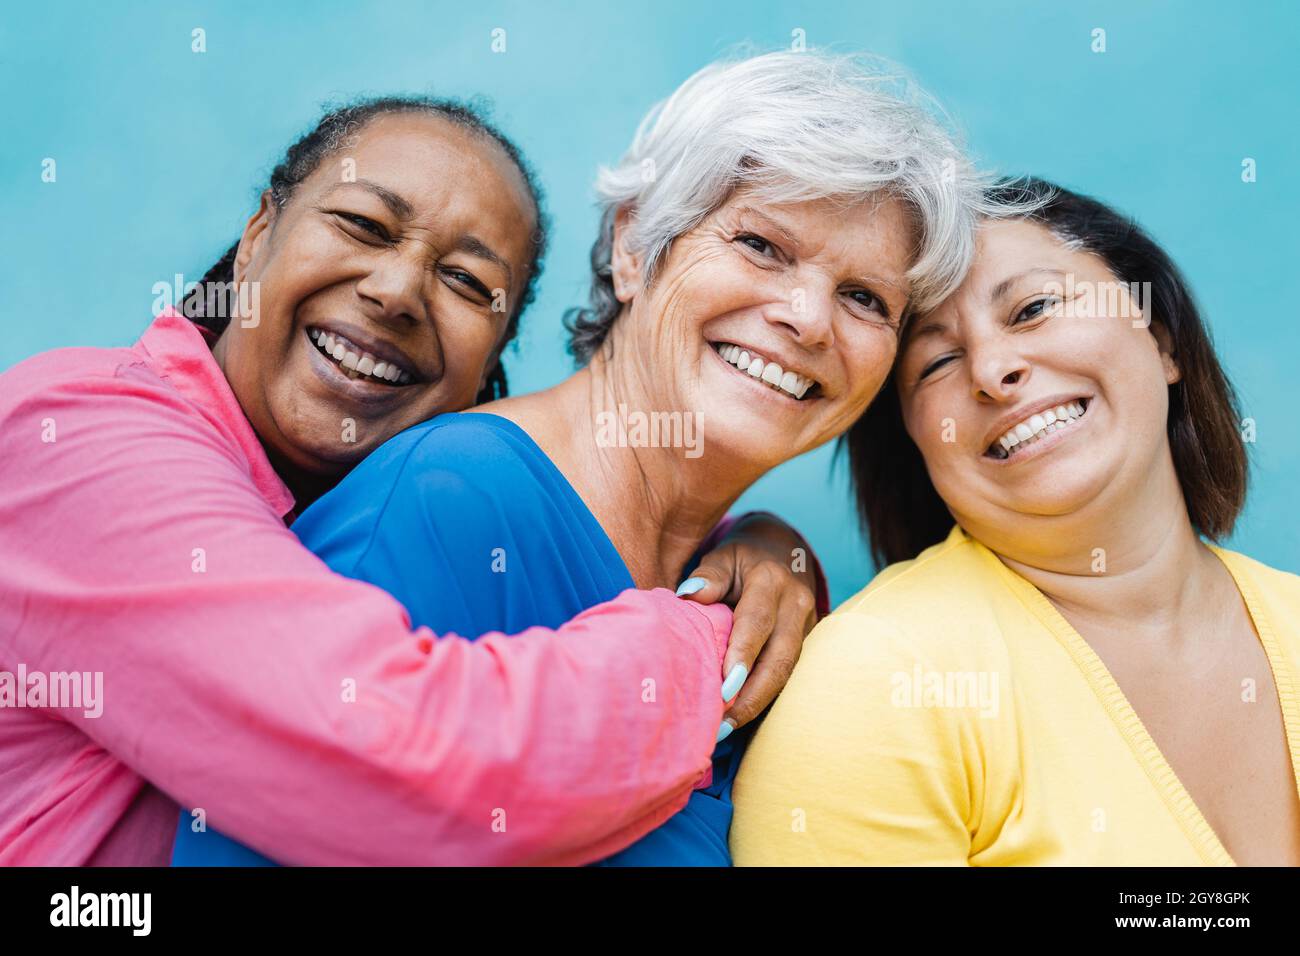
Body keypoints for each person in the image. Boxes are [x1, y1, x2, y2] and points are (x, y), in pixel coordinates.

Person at [174, 50, 997, 865]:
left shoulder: (754, 580)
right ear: (636, 247)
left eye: (865, 297)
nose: (809, 318)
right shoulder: (452, 496)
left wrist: (777, 548)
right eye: (760, 245)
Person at [0, 96, 820, 866]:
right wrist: (706, 640)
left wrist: (753, 550)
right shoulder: (76, 431)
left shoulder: (386, 506)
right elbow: (375, 755)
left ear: (490, 364)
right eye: (362, 224)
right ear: (258, 232)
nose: (395, 293)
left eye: (467, 283)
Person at [731, 178, 1300, 866]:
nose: (994, 370)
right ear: (912, 437)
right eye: (936, 360)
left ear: (1161, 339)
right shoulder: (879, 680)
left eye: (1033, 308)